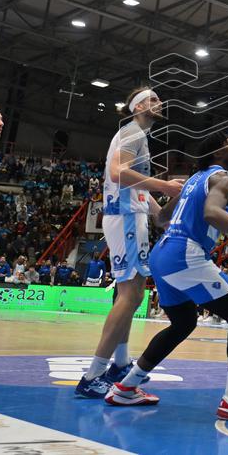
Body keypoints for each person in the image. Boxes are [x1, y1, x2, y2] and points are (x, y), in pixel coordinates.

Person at [106, 133, 228, 420]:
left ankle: (126, 387)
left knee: (183, 323)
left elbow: (162, 218)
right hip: (184, 253)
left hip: (163, 253)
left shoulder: (193, 181)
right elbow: (212, 214)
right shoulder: (222, 178)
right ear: (217, 153)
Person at [76, 87, 184, 399]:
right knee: (131, 294)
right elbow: (117, 173)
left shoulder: (137, 135)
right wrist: (164, 185)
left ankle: (120, 363)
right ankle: (93, 375)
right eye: (152, 99)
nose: (159, 103)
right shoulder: (133, 132)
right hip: (124, 216)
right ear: (137, 107)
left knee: (133, 294)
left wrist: (160, 213)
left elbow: (135, 186)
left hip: (130, 214)